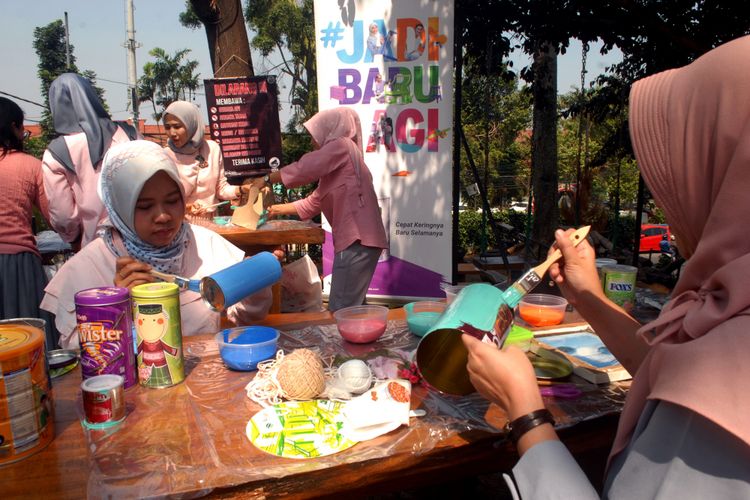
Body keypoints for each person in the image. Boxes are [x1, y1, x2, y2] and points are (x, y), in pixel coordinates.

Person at [462, 36, 750, 498]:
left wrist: (525, 414)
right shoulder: (732, 315)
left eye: (679, 183)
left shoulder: (727, 383)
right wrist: (587, 296)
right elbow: (666, 370)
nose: (667, 211)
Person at [41, 140, 273, 350]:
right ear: (120, 207)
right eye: (144, 206)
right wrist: (116, 307)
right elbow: (78, 353)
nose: (163, 216)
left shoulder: (204, 244)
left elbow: (244, 318)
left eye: (173, 201)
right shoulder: (89, 267)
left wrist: (255, 284)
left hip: (205, 384)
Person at [251, 108, 387, 312]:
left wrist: (266, 179)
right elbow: (311, 203)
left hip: (357, 240)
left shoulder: (342, 146)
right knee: (353, 308)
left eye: (313, 135)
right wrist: (273, 210)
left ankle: (346, 344)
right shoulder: (340, 168)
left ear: (329, 130)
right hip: (359, 242)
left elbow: (305, 168)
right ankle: (365, 342)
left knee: (341, 310)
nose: (312, 142)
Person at [42, 73, 138, 249]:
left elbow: (63, 214)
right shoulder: (130, 134)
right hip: (142, 241)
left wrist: (73, 237)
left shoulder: (57, 152)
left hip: (94, 247)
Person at [0, 97, 58, 349]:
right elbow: (54, 218)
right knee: (30, 340)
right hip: (20, 264)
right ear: (13, 127)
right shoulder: (31, 166)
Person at [162, 101, 241, 215]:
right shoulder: (165, 156)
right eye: (167, 127)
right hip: (181, 224)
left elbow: (221, 188)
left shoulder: (212, 149)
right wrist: (188, 207)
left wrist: (241, 190)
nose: (172, 133)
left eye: (177, 126)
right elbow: (164, 199)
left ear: (192, 124)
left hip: (211, 222)